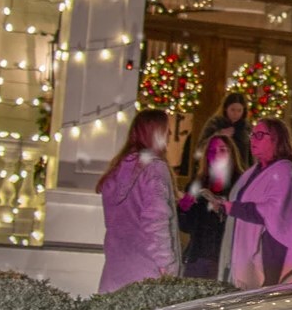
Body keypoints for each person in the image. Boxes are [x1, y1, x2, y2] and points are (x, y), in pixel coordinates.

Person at [217, 116, 292, 289]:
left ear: (277, 139)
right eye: (252, 135)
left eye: (260, 135)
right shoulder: (253, 172)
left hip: (272, 253)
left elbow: (273, 211)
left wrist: (235, 208)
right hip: (246, 249)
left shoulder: (285, 170)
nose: (253, 139)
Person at [97, 109, 182, 292]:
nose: (169, 135)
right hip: (147, 273)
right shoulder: (154, 169)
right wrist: (167, 266)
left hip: (116, 269)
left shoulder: (117, 170)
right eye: (165, 130)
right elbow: (156, 221)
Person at [177, 124, 243, 279]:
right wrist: (183, 209)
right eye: (212, 151)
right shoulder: (198, 183)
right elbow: (187, 226)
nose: (217, 155)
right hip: (198, 256)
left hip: (227, 258)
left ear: (231, 154)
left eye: (222, 150)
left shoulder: (240, 184)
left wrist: (223, 209)